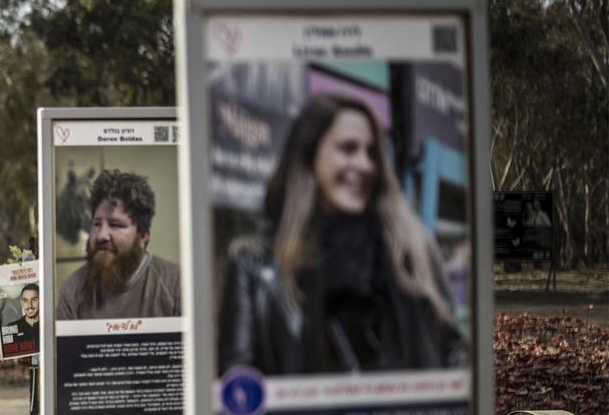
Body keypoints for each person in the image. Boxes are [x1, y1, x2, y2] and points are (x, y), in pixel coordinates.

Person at [218, 93, 464, 376]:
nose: (364, 164)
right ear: (310, 156)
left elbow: (453, 349)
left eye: (372, 153)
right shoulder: (253, 264)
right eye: (348, 149)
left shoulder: (409, 246)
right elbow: (235, 380)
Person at [56, 170, 182, 320]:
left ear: (143, 236)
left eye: (115, 225)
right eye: (96, 224)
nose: (101, 235)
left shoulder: (176, 284)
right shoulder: (72, 291)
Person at [0, 282, 38, 350]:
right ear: (21, 302)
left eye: (34, 300)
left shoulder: (48, 326)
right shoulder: (11, 329)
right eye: (25, 301)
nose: (30, 305)